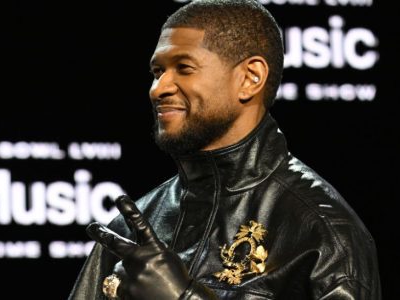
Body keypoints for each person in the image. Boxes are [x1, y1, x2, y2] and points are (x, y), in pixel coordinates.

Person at [68, 0, 381, 299]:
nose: (158, 88)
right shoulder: (133, 226)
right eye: (157, 72)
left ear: (250, 78)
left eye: (184, 67)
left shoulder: (322, 232)